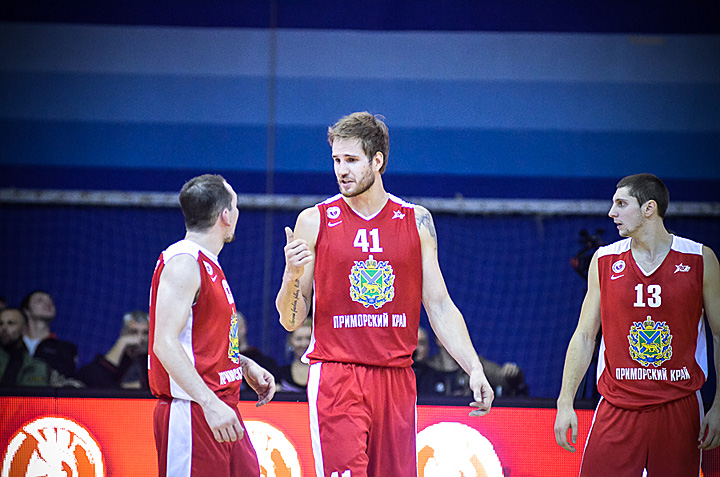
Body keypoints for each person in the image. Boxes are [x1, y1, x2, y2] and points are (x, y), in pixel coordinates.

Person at [276, 111, 494, 477]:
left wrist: (473, 367)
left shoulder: (416, 221)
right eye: (336, 160)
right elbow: (290, 319)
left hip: (396, 377)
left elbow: (439, 305)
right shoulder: (314, 221)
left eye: (351, 160)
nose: (341, 170)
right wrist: (292, 274)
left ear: (377, 161)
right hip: (337, 375)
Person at [554, 173, 720, 476]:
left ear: (649, 208)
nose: (611, 213)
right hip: (617, 404)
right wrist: (565, 402)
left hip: (679, 405)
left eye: (621, 204)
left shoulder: (700, 258)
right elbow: (584, 336)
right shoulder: (604, 260)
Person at [148, 174, 276, 476]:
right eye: (236, 206)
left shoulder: (207, 262)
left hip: (221, 407)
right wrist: (209, 403)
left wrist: (241, 364)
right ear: (225, 215)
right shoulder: (183, 262)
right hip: (194, 410)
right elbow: (164, 343)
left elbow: (197, 342)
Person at [76, 310, 150, 390]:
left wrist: (121, 387)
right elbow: (91, 380)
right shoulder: (116, 359)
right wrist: (121, 343)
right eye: (133, 332)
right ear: (123, 334)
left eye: (145, 333)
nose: (140, 338)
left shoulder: (153, 362)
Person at [20, 290, 78, 378]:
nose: (48, 304)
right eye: (39, 300)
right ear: (26, 310)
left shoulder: (66, 349)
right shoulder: (13, 344)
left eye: (51, 301)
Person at [0, 308, 50, 387]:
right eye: (1, 324)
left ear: (24, 329)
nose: (4, 328)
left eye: (11, 323)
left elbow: (33, 393)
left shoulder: (36, 366)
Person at [234, 311, 280, 394]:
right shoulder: (218, 363)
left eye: (233, 326)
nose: (229, 331)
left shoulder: (265, 364)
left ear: (243, 328)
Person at [276, 319, 311, 393]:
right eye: (299, 339)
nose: (304, 344)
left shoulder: (323, 373)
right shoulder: (280, 374)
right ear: (291, 341)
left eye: (309, 338)